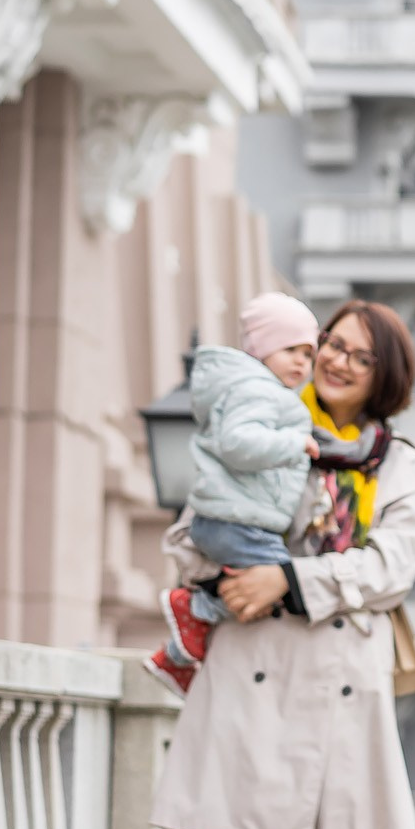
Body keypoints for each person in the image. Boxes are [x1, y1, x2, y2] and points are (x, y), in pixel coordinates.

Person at [149, 299, 415, 829]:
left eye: (357, 354)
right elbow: (191, 529)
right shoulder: (259, 417)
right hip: (250, 671)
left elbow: (391, 568)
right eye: (329, 345)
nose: (336, 361)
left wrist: (292, 579)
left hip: (338, 683)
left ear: (386, 377)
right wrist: (222, 566)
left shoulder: (399, 464)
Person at [144, 291, 323, 698]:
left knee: (257, 592)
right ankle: (192, 608)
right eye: (291, 349)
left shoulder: (259, 390)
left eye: (309, 355)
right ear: (262, 349)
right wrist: (295, 443)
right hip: (237, 521)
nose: (302, 363)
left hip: (233, 519)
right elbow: (237, 443)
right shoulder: (258, 390)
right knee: (287, 584)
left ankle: (175, 658)